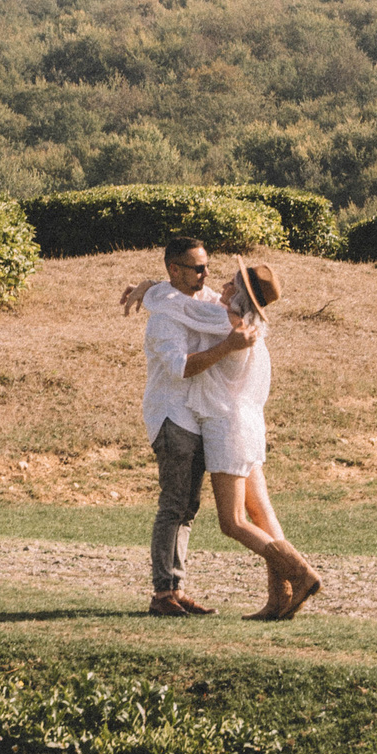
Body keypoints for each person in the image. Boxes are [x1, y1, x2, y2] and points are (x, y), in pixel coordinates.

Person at [125, 243, 324, 620]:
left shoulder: (224, 321)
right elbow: (190, 302)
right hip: (246, 422)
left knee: (232, 521)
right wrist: (155, 283)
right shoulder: (240, 318)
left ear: (242, 296)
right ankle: (279, 598)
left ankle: (299, 573)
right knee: (261, 513)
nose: (218, 284)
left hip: (225, 425)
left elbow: (177, 308)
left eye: (229, 282)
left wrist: (152, 289)